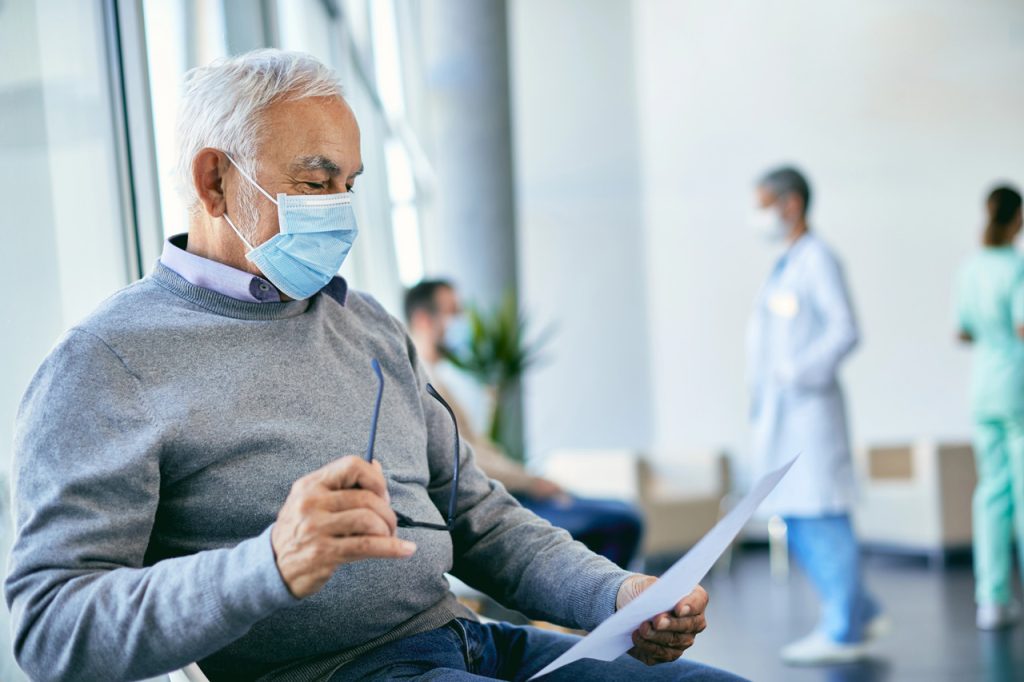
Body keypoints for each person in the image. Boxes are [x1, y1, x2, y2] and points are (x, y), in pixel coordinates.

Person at [4, 50, 743, 682]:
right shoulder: (106, 363)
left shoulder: (367, 326)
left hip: (469, 641)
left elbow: (478, 519)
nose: (340, 210)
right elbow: (46, 627)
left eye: (350, 185)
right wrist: (267, 564)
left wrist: (616, 599)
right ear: (213, 182)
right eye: (315, 183)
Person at [404, 279, 644, 569]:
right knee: (622, 522)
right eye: (453, 312)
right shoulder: (424, 384)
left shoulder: (440, 379)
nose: (462, 322)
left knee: (621, 510)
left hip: (512, 488)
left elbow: (479, 448)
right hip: (497, 500)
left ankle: (597, 601)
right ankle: (605, 609)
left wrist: (531, 480)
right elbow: (463, 458)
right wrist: (532, 482)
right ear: (423, 319)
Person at [746, 166, 885, 665]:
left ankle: (844, 629)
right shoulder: (788, 263)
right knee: (802, 513)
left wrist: (794, 374)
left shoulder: (819, 260)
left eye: (763, 203)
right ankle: (860, 610)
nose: (757, 215)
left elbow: (845, 330)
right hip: (787, 415)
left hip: (809, 410)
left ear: (791, 204)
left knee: (821, 515)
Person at [955, 184, 1024, 631]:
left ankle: (991, 600)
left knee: (992, 494)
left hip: (982, 388)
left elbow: (962, 331)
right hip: (1016, 387)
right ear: (1018, 219)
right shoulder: (1017, 266)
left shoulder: (971, 267)